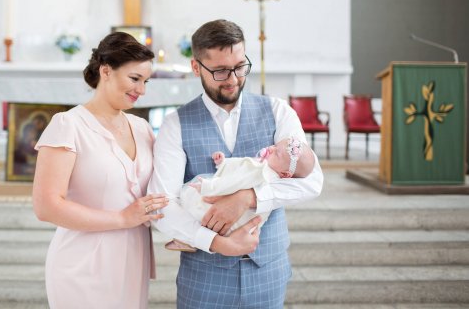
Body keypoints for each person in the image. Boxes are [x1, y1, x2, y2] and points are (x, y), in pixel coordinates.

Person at [148, 19, 323, 308]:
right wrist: (216, 242)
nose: (233, 78)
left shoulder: (279, 112)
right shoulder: (175, 125)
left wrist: (249, 198)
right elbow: (162, 205)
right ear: (196, 68)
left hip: (267, 270)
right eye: (219, 71)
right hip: (205, 277)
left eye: (240, 66)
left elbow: (312, 180)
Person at [32, 32, 169, 309]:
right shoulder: (68, 125)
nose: (141, 90)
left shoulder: (142, 129)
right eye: (134, 79)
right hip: (83, 265)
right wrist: (121, 218)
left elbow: (161, 188)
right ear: (106, 71)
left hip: (133, 261)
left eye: (145, 81)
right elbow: (46, 206)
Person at [165, 136, 315, 252]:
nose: (271, 148)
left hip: (231, 213)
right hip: (245, 225)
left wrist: (207, 186)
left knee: (194, 203)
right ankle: (190, 240)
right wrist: (223, 163)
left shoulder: (262, 171)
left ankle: (187, 240)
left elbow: (232, 182)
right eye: (275, 146)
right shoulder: (273, 173)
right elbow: (242, 166)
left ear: (285, 173)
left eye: (277, 153)